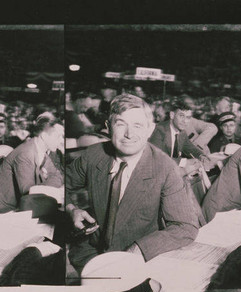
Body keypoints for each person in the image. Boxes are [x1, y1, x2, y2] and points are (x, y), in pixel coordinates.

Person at [65, 94, 198, 273]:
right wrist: (71, 209)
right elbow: (61, 185)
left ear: (150, 129)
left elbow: (185, 226)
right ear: (108, 127)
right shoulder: (93, 155)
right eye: (120, 124)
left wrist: (139, 251)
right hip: (90, 254)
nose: (129, 134)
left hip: (138, 263)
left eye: (137, 125)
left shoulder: (165, 167)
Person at [0, 112, 64, 227]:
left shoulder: (40, 150)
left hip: (11, 209)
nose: (61, 140)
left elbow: (57, 175)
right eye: (58, 136)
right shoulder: (26, 153)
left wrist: (44, 187)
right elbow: (29, 195)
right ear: (44, 136)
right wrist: (52, 189)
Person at [149, 100, 209, 176]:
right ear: (172, 115)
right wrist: (184, 162)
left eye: (188, 117)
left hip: (171, 172)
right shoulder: (159, 130)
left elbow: (190, 148)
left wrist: (201, 156)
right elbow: (158, 158)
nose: (185, 121)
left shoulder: (182, 133)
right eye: (181, 116)